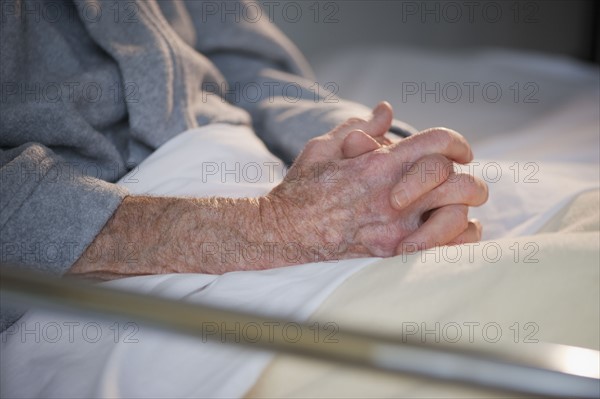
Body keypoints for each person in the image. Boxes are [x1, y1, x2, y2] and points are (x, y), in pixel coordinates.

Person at [0, 0, 487, 329]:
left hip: (271, 176)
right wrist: (278, 229)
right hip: (93, 269)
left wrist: (370, 152)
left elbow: (246, 69)